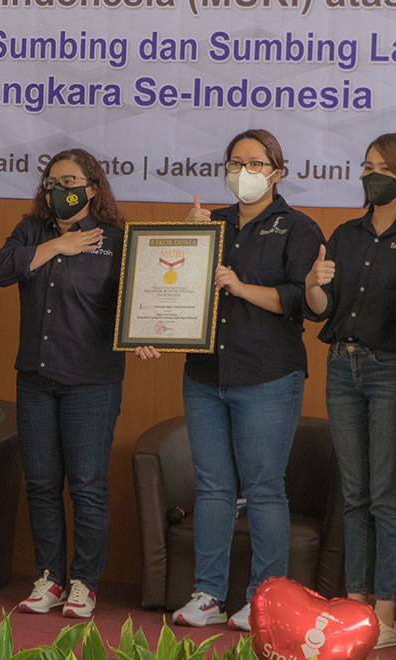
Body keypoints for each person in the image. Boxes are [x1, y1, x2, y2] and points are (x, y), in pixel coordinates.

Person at [138, 129, 324, 631]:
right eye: (235, 162)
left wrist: (240, 287)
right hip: (205, 374)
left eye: (255, 163)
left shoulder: (298, 227)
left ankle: (265, 599)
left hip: (267, 375)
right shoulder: (212, 223)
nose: (244, 171)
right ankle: (207, 594)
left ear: (277, 172)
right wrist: (155, 327)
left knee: (264, 489)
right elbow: (175, 294)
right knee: (214, 488)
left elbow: (300, 301)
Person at [304, 133, 396, 648]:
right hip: (342, 365)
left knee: (387, 495)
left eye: (380, 166)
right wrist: (316, 283)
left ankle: (385, 615)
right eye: (365, 166)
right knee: (355, 494)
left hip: (393, 371)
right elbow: (320, 307)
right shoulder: (346, 232)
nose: (369, 174)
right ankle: (355, 605)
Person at [0, 149, 125, 618]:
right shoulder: (32, 231)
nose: (58, 188)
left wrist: (148, 333)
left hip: (91, 382)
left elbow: (138, 301)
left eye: (70, 179)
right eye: (51, 180)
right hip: (36, 378)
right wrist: (55, 247)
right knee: (43, 484)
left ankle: (84, 583)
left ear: (92, 187)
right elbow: (0, 270)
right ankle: (49, 578)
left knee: (86, 486)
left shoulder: (115, 240)